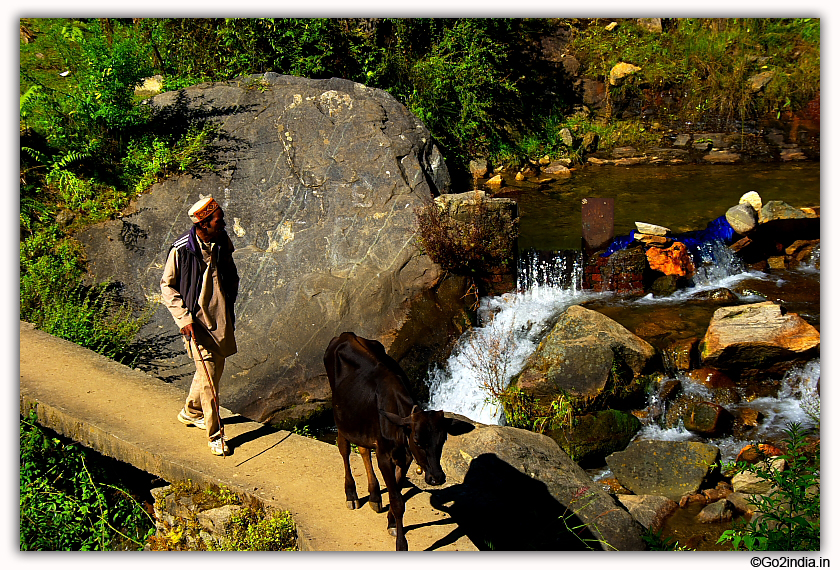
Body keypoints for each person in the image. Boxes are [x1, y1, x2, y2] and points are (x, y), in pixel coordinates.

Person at [160, 196, 239, 456]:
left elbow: (230, 273)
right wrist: (184, 319)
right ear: (204, 224)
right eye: (219, 221)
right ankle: (215, 435)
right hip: (196, 321)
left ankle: (191, 411)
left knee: (211, 371)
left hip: (220, 318)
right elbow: (167, 286)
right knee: (209, 379)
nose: (223, 224)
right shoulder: (181, 249)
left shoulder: (221, 241)